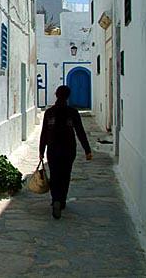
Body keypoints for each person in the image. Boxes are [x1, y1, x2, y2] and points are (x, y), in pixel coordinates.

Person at [39, 85, 93, 219]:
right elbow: (80, 132)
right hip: (68, 149)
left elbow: (44, 133)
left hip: (52, 149)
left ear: (56, 94)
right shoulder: (72, 112)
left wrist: (41, 150)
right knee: (65, 174)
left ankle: (55, 199)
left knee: (55, 174)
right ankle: (61, 200)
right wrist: (87, 150)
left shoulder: (49, 112)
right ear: (68, 96)